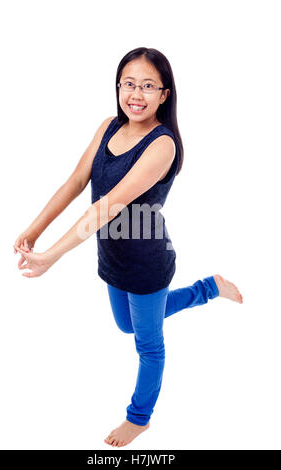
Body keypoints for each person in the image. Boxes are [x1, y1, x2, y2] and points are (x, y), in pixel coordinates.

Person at [13, 47, 243, 448]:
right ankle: (209, 288)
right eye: (129, 84)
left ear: (164, 94)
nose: (136, 94)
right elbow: (74, 184)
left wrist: (51, 256)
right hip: (112, 255)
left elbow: (106, 206)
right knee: (127, 324)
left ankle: (139, 419)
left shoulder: (162, 145)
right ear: (118, 87)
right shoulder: (107, 127)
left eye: (148, 86)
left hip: (147, 261)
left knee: (148, 344)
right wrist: (34, 230)